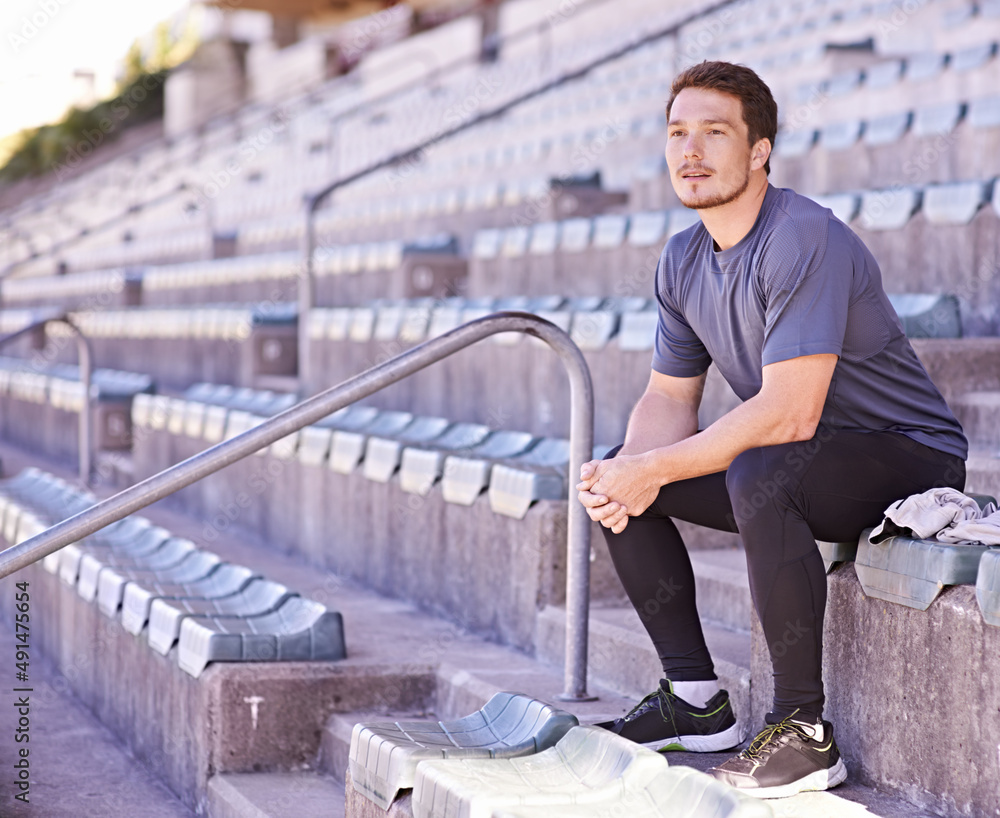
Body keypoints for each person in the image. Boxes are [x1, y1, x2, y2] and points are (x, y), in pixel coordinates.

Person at [577, 60, 967, 799]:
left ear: (759, 150)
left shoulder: (802, 236)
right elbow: (667, 397)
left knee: (760, 469)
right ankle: (696, 703)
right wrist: (630, 471)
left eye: (714, 133)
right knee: (620, 473)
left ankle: (802, 731)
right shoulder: (683, 256)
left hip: (905, 453)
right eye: (677, 134)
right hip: (801, 458)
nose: (690, 153)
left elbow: (791, 411)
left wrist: (653, 467)